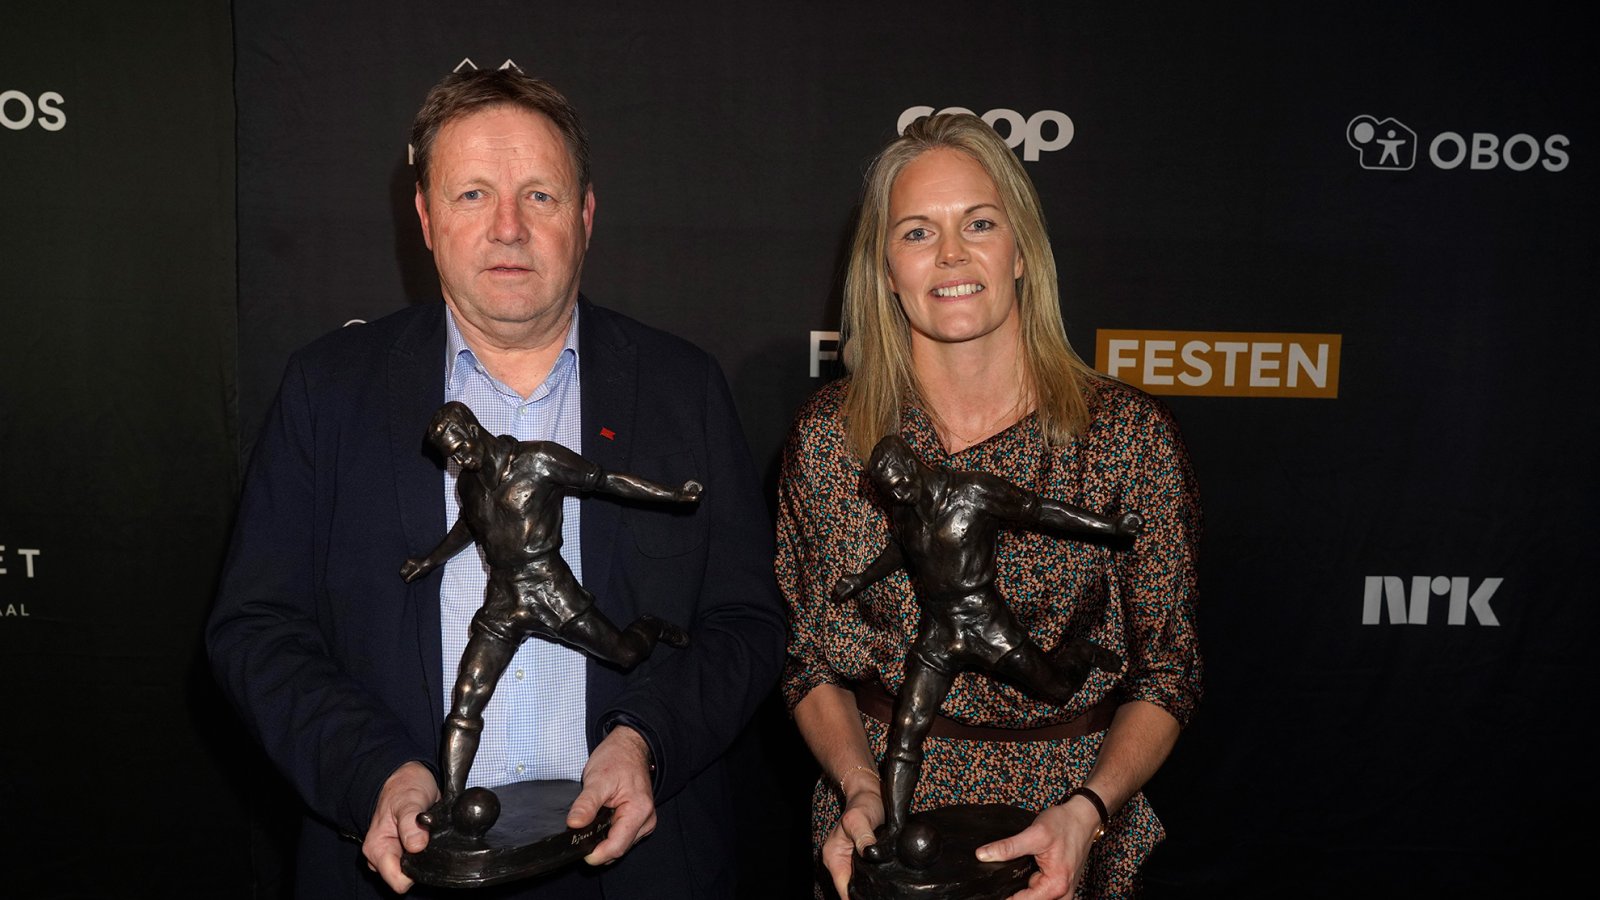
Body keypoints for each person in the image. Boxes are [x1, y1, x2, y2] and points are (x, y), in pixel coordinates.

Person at [207, 68, 785, 899]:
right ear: (425, 218)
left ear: (585, 216)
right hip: (403, 866)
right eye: (473, 194)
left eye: (540, 196)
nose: (508, 227)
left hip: (632, 866)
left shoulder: (681, 387)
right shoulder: (326, 391)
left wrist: (645, 741)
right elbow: (256, 629)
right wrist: (375, 773)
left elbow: (746, 622)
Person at [778, 113, 1202, 899]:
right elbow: (812, 664)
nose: (951, 254)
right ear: (885, 270)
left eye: (979, 223)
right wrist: (861, 789)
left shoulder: (1127, 436)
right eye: (917, 232)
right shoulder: (832, 438)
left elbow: (1167, 672)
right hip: (885, 817)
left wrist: (1088, 810)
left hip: (1073, 807)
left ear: (1021, 252)